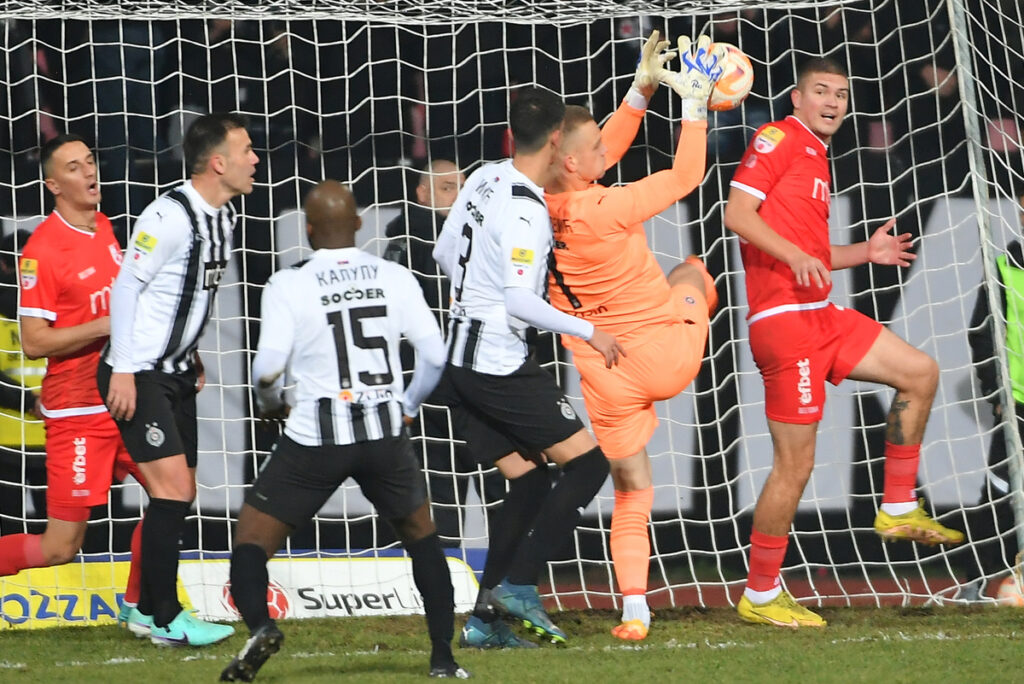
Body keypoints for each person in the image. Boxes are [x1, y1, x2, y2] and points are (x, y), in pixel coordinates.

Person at [722, 57, 964, 628]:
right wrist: (794, 255)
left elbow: (810, 251)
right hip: (785, 323)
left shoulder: (815, 152)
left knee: (920, 372)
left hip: (822, 314)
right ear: (798, 98)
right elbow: (737, 214)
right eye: (822, 91)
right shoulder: (778, 136)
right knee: (794, 466)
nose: (833, 101)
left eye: (842, 94)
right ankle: (760, 594)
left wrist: (864, 254)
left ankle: (899, 504)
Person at [220, 180, 467, 682]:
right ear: (359, 224)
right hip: (383, 432)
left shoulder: (289, 283)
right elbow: (436, 354)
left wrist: (271, 403)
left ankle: (261, 628)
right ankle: (443, 658)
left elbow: (267, 367)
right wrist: (407, 404)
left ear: (308, 231)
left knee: (250, 541)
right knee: (422, 537)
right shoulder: (394, 275)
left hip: (315, 436)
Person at [544, 32, 723, 641]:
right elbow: (685, 175)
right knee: (693, 270)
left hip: (601, 370)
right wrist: (692, 105)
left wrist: (641, 90)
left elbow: (600, 154)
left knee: (631, 491)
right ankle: (699, 292)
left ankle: (635, 610)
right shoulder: (608, 208)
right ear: (573, 161)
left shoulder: (536, 203)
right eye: (593, 146)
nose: (604, 151)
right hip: (666, 352)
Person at [431, 86, 620, 649]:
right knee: (588, 468)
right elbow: (517, 300)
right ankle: (518, 585)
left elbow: (444, 252)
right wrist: (591, 330)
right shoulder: (527, 209)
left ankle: (484, 622)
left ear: (512, 136)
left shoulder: (485, 175)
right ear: (558, 139)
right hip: (496, 362)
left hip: (459, 357)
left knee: (532, 480)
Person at [98, 113, 258, 646]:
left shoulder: (224, 217)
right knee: (173, 491)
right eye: (246, 151)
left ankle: (145, 609)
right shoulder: (168, 217)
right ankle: (166, 617)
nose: (255, 160)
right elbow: (127, 289)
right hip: (138, 373)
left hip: (176, 373)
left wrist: (191, 355)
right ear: (218, 163)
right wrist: (122, 366)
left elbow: (187, 298)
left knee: (178, 493)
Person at [0, 135, 147, 626]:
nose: (88, 171)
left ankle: (143, 608)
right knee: (60, 547)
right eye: (73, 166)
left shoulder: (104, 226)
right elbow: (35, 342)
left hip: (122, 398)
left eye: (90, 161)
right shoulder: (41, 251)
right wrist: (106, 325)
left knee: (174, 490)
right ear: (53, 184)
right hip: (77, 412)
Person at [383, 160, 507, 544]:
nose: (459, 196)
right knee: (456, 487)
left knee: (474, 488)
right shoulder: (415, 234)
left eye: (463, 187)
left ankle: (488, 577)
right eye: (449, 187)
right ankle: (483, 577)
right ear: (422, 194)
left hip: (461, 381)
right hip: (444, 382)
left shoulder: (480, 233)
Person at [964, 204, 1024, 599]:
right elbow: (982, 332)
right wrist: (995, 392)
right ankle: (975, 582)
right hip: (1018, 403)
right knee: (999, 497)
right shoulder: (1003, 267)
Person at [0, 230, 47, 535]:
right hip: (10, 441)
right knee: (11, 533)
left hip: (51, 440)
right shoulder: (55, 312)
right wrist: (32, 402)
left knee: (62, 537)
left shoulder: (57, 311)